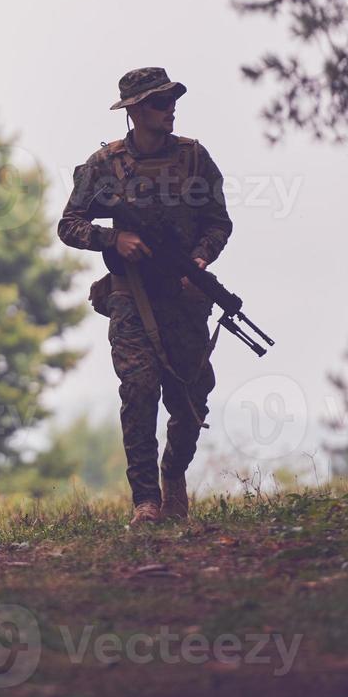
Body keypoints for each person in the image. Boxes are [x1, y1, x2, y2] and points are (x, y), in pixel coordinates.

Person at [58, 68, 233, 525]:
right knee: (138, 392)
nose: (169, 108)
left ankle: (173, 474)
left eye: (172, 99)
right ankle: (146, 501)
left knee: (191, 402)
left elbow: (218, 222)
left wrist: (199, 262)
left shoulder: (194, 159)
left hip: (184, 297)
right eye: (159, 102)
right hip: (131, 297)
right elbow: (69, 225)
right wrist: (112, 241)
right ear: (134, 111)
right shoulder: (104, 165)